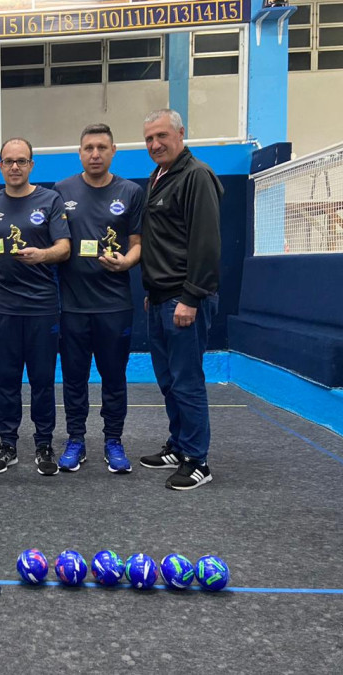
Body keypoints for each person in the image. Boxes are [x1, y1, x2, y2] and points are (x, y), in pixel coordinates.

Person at [138, 109, 222, 490]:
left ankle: (197, 460)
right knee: (169, 380)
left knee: (187, 382)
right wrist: (152, 292)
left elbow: (205, 243)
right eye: (149, 139)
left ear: (180, 133)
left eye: (162, 136)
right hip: (159, 299)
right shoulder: (158, 177)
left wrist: (190, 297)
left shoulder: (196, 176)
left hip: (184, 300)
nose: (155, 144)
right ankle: (178, 444)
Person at [0, 138, 71, 476]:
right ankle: (7, 444)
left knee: (43, 380)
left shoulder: (50, 200)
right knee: (7, 380)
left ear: (31, 165)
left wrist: (42, 255)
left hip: (42, 307)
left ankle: (44, 443)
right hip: (3, 309)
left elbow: (64, 248)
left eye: (21, 161)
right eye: (8, 161)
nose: (15, 166)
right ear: (0, 166)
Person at [54, 123, 144, 474]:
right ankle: (75, 439)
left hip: (115, 306)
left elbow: (137, 244)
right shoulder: (62, 190)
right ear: (80, 153)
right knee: (74, 379)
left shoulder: (131, 192)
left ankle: (114, 441)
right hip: (73, 306)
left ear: (113, 151)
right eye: (89, 148)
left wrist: (127, 262)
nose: (95, 154)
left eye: (102, 148)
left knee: (114, 378)